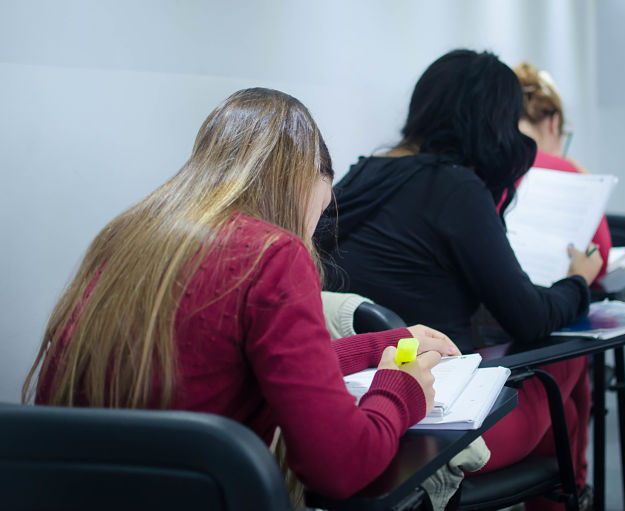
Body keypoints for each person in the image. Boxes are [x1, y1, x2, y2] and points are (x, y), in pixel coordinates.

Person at [22, 87, 462, 506]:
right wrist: (400, 390)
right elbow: (341, 467)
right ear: (307, 181)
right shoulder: (273, 254)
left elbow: (231, 366)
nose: (311, 230)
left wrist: (378, 345)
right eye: (321, 212)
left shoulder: (127, 234)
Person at [317, 50, 601, 510]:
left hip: (358, 400)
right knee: (570, 361)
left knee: (559, 409)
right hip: (435, 420)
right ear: (495, 123)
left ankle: (570, 490)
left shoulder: (364, 172)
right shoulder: (453, 186)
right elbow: (529, 317)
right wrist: (578, 281)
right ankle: (574, 494)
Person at [513, 61, 612, 277]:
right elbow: (599, 259)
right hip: (552, 303)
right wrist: (585, 179)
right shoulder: (565, 171)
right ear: (554, 123)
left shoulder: (486, 164)